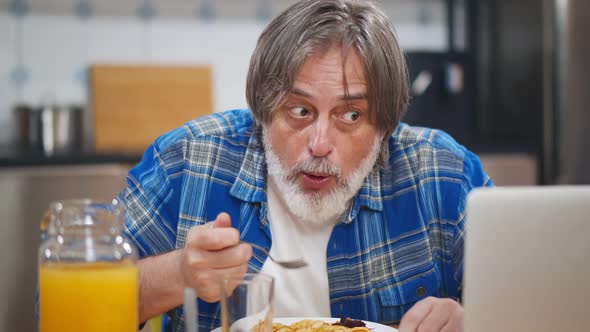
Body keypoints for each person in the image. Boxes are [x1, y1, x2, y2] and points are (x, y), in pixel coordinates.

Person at [122, 0, 492, 331]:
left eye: (351, 114)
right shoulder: (188, 161)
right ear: (263, 108)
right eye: (300, 111)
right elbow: (73, 305)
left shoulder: (443, 174)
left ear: (385, 124)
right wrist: (178, 273)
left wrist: (475, 321)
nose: (319, 145)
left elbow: (538, 303)